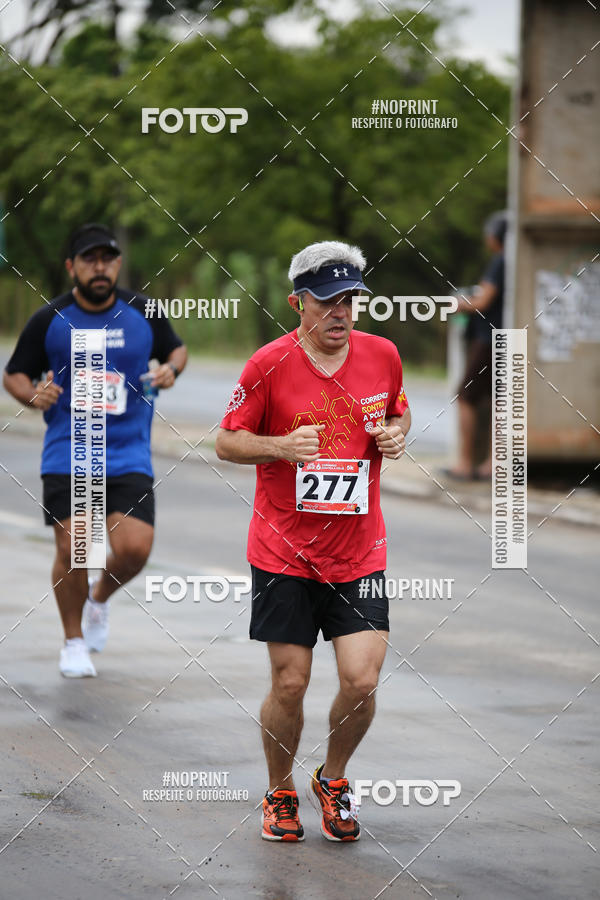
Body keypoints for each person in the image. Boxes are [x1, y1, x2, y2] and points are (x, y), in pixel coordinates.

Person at [215, 240, 411, 843]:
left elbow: (398, 411)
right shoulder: (267, 365)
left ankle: (333, 777)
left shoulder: (382, 355)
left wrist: (396, 433)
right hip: (284, 552)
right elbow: (226, 441)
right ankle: (279, 790)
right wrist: (279, 446)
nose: (340, 312)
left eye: (349, 299)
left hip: (358, 552)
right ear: (297, 303)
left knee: (362, 679)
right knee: (290, 682)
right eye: (326, 301)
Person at [3, 223, 187, 678]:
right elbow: (14, 373)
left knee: (134, 549)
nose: (100, 267)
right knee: (77, 546)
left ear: (118, 264)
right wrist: (32, 395)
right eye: (89, 259)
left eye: (107, 259)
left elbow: (177, 350)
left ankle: (98, 600)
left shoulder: (143, 311)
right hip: (70, 448)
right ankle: (73, 642)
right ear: (72, 267)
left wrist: (170, 370)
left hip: (128, 451)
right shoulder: (50, 320)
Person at [446, 210, 507, 481]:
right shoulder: (513, 261)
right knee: (499, 399)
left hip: (488, 339)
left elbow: (483, 301)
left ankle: (466, 462)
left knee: (466, 396)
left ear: (495, 236)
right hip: (506, 338)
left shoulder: (499, 261)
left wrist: (458, 304)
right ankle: (493, 464)